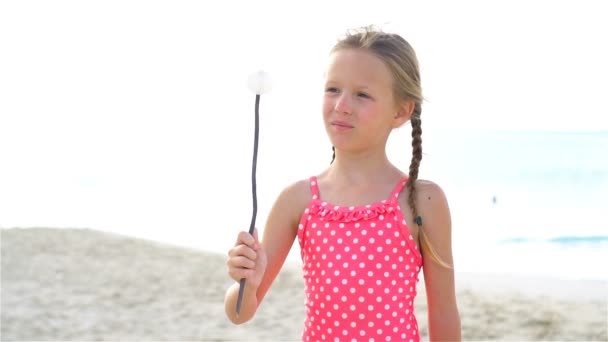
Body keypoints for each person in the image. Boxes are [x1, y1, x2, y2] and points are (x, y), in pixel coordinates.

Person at [224, 26, 461, 341]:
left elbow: (444, 314)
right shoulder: (298, 200)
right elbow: (241, 313)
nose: (342, 105)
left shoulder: (422, 200)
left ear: (401, 111)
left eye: (362, 94)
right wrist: (246, 284)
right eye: (333, 89)